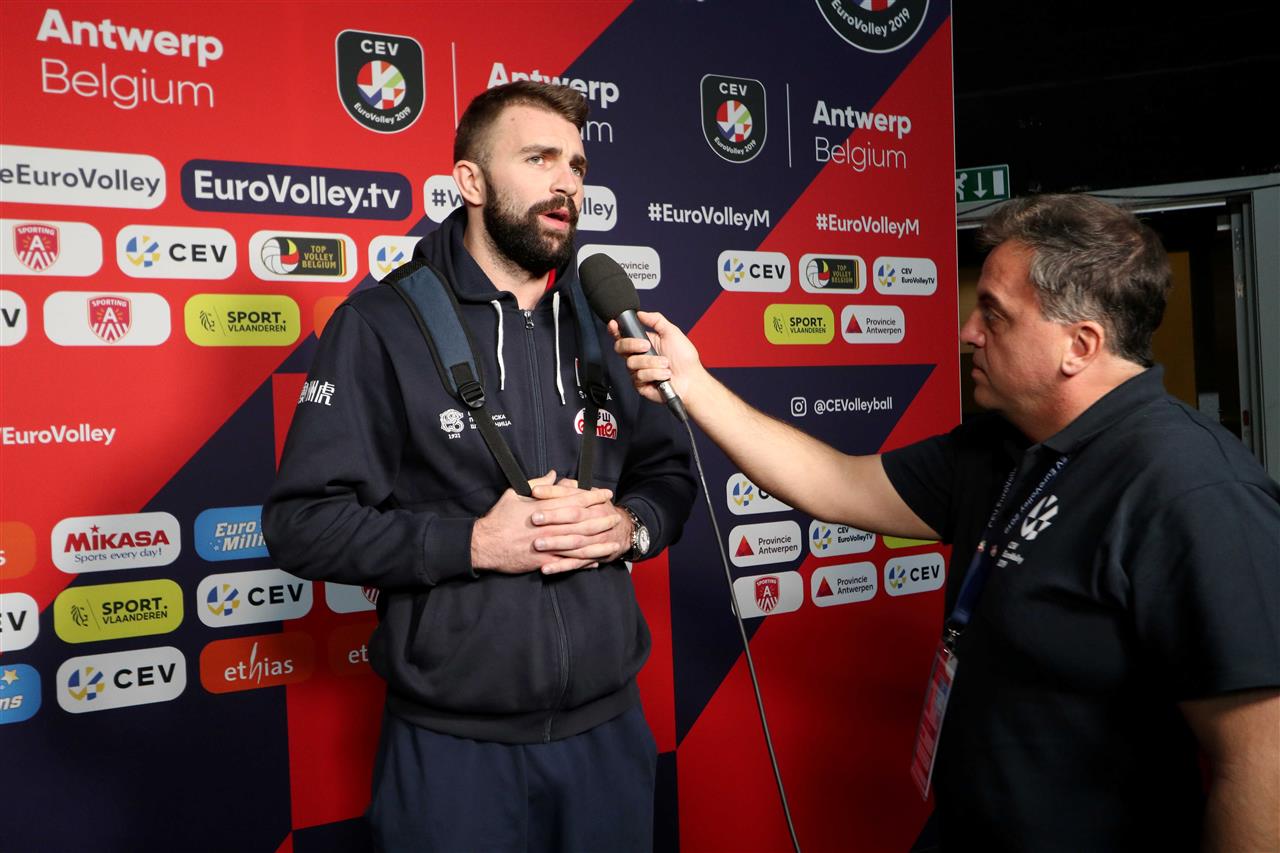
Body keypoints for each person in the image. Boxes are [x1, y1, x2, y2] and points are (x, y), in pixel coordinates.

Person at [614, 194, 1280, 852]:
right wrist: (693, 384)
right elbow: (837, 483)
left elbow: (1261, 763)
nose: (968, 331)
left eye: (995, 313)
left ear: (1079, 345)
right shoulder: (998, 444)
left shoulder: (1192, 487)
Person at [263, 81, 695, 853]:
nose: (567, 183)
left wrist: (631, 526)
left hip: (610, 736)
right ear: (471, 180)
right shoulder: (380, 324)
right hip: (451, 754)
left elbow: (670, 474)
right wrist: (473, 544)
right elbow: (301, 525)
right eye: (539, 159)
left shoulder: (610, 323)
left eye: (577, 165)